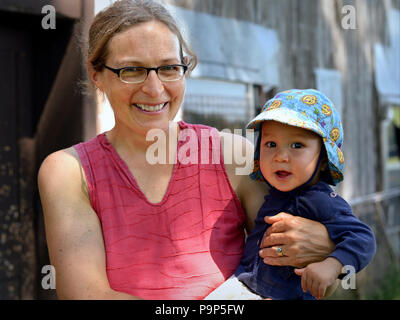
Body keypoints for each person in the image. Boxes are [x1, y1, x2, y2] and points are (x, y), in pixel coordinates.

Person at [38, 0, 337, 300]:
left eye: (169, 68)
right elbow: (86, 295)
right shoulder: (69, 171)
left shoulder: (234, 156)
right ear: (96, 74)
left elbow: (303, 270)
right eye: (132, 70)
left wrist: (328, 247)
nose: (155, 89)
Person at [221, 89, 375, 300]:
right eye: (271, 144)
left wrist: (332, 265)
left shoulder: (321, 201)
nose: (281, 156)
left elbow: (363, 239)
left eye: (297, 145)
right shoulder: (273, 192)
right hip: (246, 286)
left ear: (323, 159)